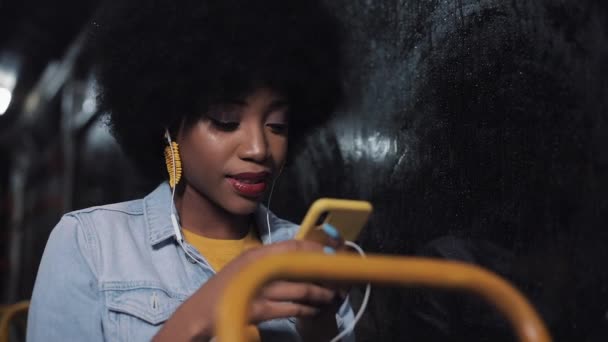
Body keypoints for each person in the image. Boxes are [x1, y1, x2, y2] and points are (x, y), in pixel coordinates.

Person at [27, 0, 354, 341]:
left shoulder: (306, 253)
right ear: (168, 123)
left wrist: (318, 325)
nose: (258, 149)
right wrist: (203, 313)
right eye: (226, 121)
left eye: (277, 125)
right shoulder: (90, 243)